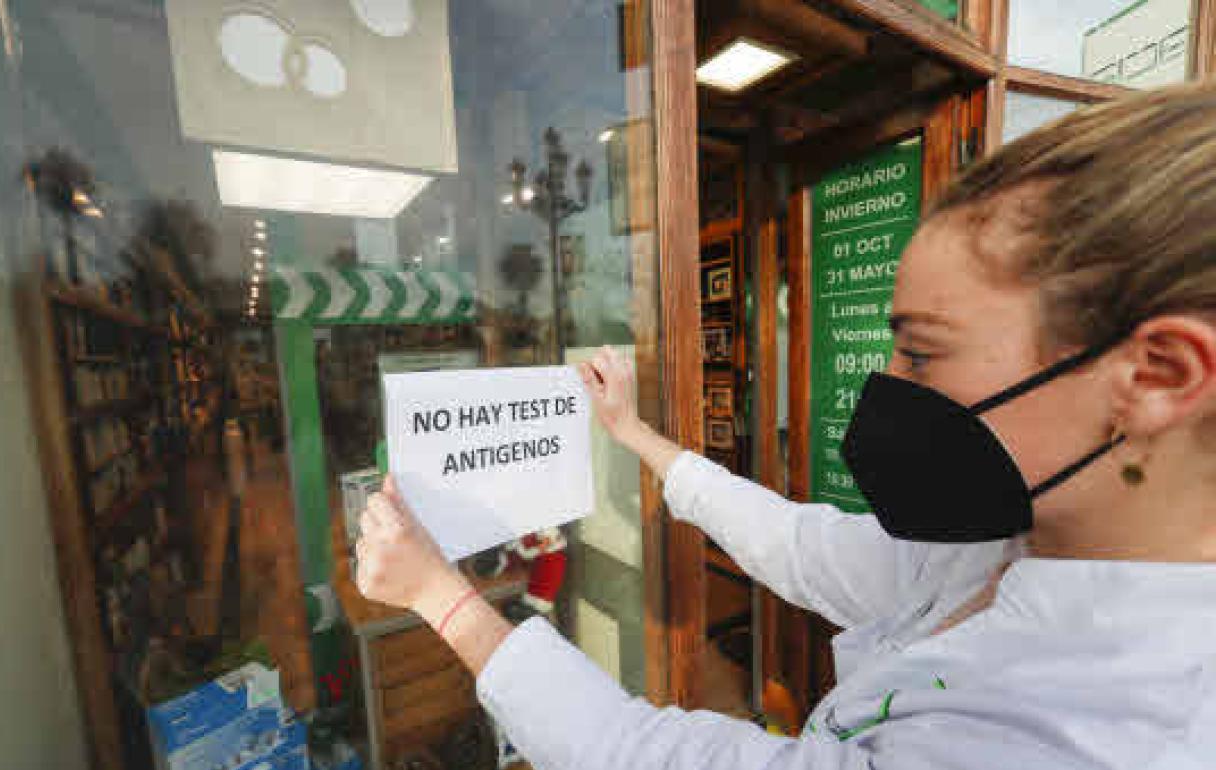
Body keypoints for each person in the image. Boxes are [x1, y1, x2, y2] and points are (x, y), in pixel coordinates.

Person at [354, 82, 1216, 770]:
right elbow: (808, 547)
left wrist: (443, 596)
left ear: (1157, 374)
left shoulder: (1117, 734)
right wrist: (634, 435)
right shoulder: (1022, 541)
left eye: (922, 353)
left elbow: (645, 755)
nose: (884, 383)